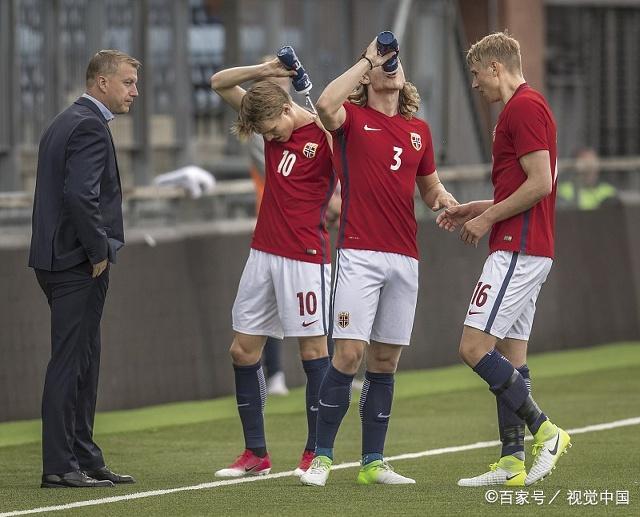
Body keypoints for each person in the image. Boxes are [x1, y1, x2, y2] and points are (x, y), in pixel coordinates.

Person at [301, 36, 457, 487]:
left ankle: (373, 462)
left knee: (385, 361)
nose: (392, 67)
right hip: (359, 252)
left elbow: (428, 188)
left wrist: (443, 199)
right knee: (348, 353)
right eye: (383, 64)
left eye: (395, 62)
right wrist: (369, 57)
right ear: (367, 76)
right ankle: (323, 457)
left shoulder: (419, 131)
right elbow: (327, 103)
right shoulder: (351, 118)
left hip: (405, 256)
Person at [436, 31, 570, 487]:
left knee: (473, 348)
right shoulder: (525, 108)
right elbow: (525, 183)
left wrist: (487, 218)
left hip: (519, 247)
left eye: (476, 75)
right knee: (511, 360)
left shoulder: (525, 107)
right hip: (525, 245)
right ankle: (512, 461)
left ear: (495, 68)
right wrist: (477, 208)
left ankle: (545, 430)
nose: (475, 85)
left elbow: (541, 183)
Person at [210, 57, 336, 477]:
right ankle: (256, 455)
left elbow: (350, 157)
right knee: (242, 350)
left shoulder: (324, 132)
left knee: (313, 352)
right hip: (262, 253)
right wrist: (264, 71)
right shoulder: (270, 119)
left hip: (305, 257)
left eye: (271, 130)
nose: (270, 138)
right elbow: (219, 83)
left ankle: (315, 452)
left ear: (286, 110)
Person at [29, 50, 139, 488]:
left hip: (57, 257)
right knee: (71, 361)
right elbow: (80, 197)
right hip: (75, 261)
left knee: (85, 360)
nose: (135, 91)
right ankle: (59, 465)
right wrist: (98, 251)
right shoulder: (89, 126)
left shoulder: (66, 120)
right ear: (101, 83)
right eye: (128, 82)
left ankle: (84, 456)